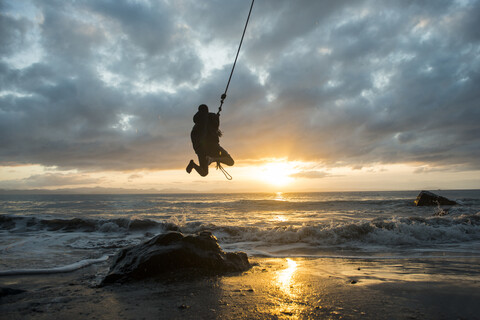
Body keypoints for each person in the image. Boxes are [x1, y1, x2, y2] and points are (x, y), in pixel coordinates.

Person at [186, 104, 234, 177]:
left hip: (202, 151)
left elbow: (194, 142)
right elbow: (216, 127)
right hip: (213, 146)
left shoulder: (195, 127)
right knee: (230, 162)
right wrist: (217, 116)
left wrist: (199, 152)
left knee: (204, 173)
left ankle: (193, 164)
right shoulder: (212, 118)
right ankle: (213, 159)